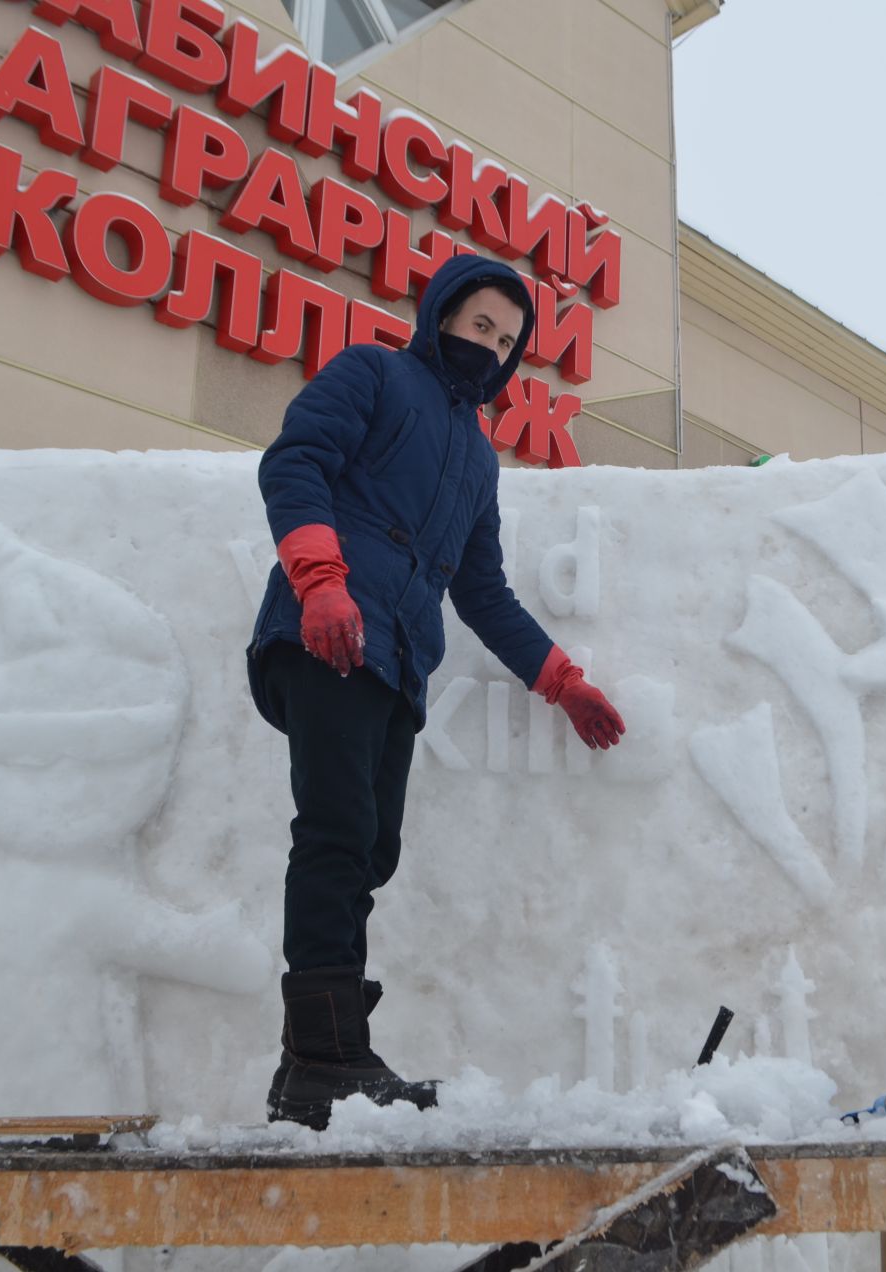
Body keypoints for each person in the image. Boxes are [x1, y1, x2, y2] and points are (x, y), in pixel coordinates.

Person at [247, 254, 626, 1129]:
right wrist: (319, 579)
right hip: (330, 627)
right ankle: (323, 1057)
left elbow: (482, 590)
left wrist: (560, 680)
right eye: (478, 324)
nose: (488, 346)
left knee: (369, 848)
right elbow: (295, 461)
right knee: (339, 834)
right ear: (440, 313)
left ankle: (317, 1056)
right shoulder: (374, 373)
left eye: (505, 339)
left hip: (398, 658)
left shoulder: (479, 460)